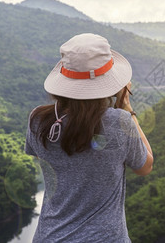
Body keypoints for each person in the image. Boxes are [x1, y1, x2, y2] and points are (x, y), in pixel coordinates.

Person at [24, 33, 153, 242]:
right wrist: (127, 108)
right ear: (109, 82)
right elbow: (145, 166)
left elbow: (50, 161)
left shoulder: (38, 120)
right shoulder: (119, 122)